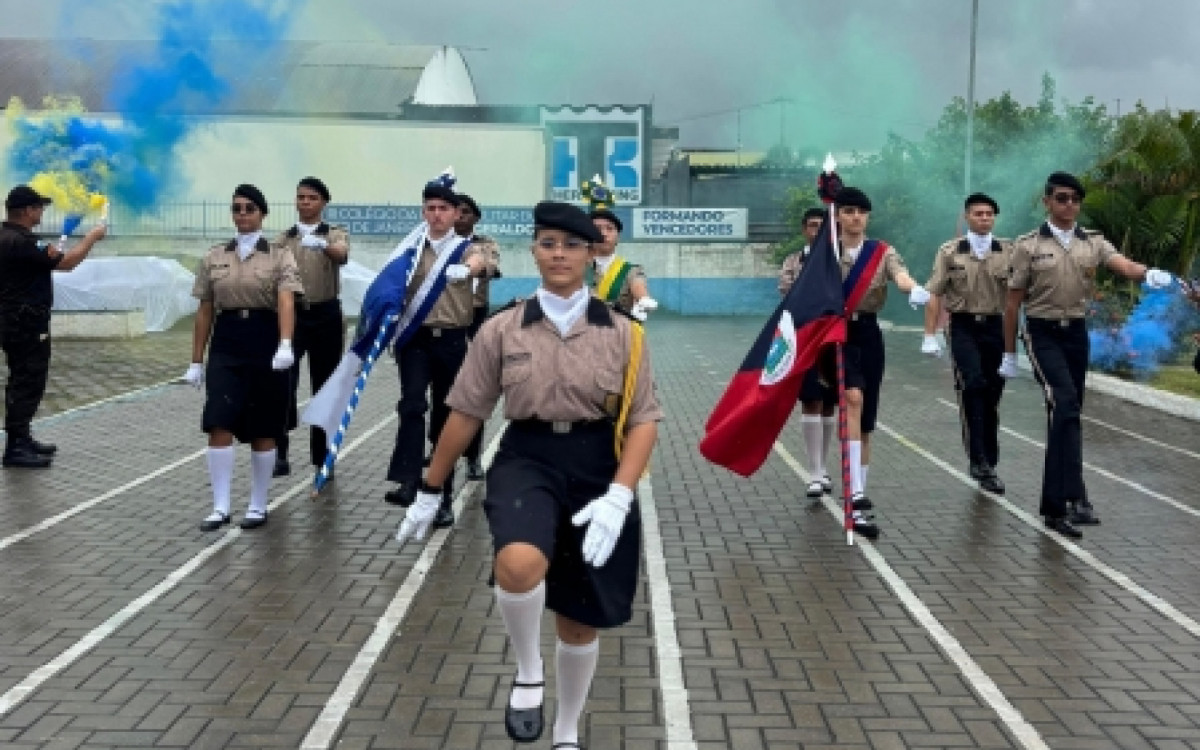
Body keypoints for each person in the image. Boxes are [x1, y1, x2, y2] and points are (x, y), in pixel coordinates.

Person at [395, 200, 661, 749]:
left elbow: (642, 421)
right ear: (534, 251)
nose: (558, 253)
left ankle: (566, 729)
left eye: (571, 245)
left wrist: (619, 494)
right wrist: (429, 486)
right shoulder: (501, 328)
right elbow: (466, 411)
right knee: (518, 564)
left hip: (597, 464)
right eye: (547, 244)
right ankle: (527, 670)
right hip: (528, 456)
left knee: (579, 621)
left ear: (591, 255)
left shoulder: (625, 334)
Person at [1002, 171, 1174, 539]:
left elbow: (1124, 266)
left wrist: (1155, 275)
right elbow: (1013, 302)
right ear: (1047, 201)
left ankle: (1075, 496)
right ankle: (1054, 507)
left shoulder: (1092, 243)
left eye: (1075, 199)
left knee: (1070, 413)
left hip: (1075, 335)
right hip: (1042, 333)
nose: (1069, 205)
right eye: (1062, 198)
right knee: (1063, 404)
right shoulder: (1028, 245)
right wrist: (1008, 353)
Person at [185, 184, 303, 531]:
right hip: (228, 341)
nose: (242, 214)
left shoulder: (280, 255)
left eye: (250, 208)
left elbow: (286, 300)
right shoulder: (214, 256)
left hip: (266, 340)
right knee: (218, 420)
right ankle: (220, 505)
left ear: (262, 213)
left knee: (264, 427)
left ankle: (257, 503)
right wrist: (196, 361)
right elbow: (205, 309)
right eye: (236, 208)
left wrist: (285, 343)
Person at [383, 173, 492, 527]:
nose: (436, 214)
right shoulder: (410, 250)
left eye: (443, 208)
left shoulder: (467, 247)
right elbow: (388, 287)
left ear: (455, 212)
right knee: (412, 404)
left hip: (451, 341)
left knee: (447, 418)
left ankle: (441, 494)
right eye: (430, 208)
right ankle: (409, 479)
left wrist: (467, 269)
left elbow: (484, 262)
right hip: (415, 340)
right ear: (423, 211)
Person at [832, 187, 931, 538]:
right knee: (852, 399)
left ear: (867, 217)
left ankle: (859, 487)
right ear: (838, 215)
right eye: (848, 211)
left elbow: (900, 275)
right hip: (837, 335)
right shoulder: (826, 250)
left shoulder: (881, 252)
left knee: (866, 416)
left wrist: (913, 289)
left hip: (869, 333)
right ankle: (854, 493)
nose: (855, 217)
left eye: (861, 211)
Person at [1, 185, 107, 468]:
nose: (42, 212)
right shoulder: (25, 241)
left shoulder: (5, 237)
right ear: (26, 211)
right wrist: (91, 238)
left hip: (10, 321)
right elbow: (68, 263)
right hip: (27, 323)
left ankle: (21, 437)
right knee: (29, 380)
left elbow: (37, 264)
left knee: (19, 379)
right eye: (38, 207)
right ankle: (16, 447)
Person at [921, 193, 1011, 494]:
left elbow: (1020, 292)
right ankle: (979, 460)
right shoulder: (950, 251)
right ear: (967, 217)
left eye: (989, 214)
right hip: (963, 327)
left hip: (995, 327)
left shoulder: (1008, 251)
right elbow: (935, 292)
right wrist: (929, 334)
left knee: (993, 392)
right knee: (973, 385)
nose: (984, 218)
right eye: (978, 213)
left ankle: (989, 454)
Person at [274, 176, 350, 479]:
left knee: (325, 387)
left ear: (323, 203)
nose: (305, 202)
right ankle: (280, 450)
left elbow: (341, 254)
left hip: (325, 315)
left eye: (312, 198)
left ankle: (322, 457)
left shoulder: (335, 234)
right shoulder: (283, 239)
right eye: (301, 197)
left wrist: (323, 245)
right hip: (293, 314)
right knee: (282, 384)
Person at [779, 207, 838, 497]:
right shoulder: (794, 261)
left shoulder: (840, 260)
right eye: (813, 226)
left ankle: (823, 467)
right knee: (811, 400)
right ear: (805, 230)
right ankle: (814, 472)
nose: (818, 231)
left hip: (834, 340)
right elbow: (788, 292)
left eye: (823, 226)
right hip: (804, 339)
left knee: (830, 403)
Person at [456, 193, 501, 481]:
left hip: (474, 317)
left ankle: (473, 456)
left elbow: (490, 266)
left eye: (465, 212)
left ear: (475, 217)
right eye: (455, 211)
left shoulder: (485, 244)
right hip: (445, 320)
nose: (459, 216)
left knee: (475, 388)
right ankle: (439, 447)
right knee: (443, 389)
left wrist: (471, 267)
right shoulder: (437, 243)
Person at [584, 176, 657, 320]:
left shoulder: (630, 271)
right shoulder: (575, 266)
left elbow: (638, 285)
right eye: (597, 228)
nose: (603, 233)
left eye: (609, 229)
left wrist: (643, 300)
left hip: (618, 336)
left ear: (618, 237)